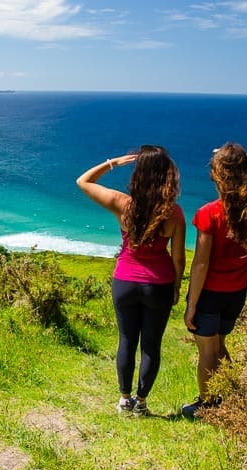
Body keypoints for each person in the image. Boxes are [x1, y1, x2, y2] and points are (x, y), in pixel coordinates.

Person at [77, 145, 186, 416]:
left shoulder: (123, 203)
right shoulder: (174, 213)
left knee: (126, 340)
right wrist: (177, 286)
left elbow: (84, 181)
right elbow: (179, 258)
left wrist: (113, 162)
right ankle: (142, 402)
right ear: (166, 177)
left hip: (124, 281)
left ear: (139, 175)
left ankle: (124, 399)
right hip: (158, 284)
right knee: (151, 346)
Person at [182, 142, 247, 418]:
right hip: (237, 291)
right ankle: (234, 397)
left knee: (207, 353)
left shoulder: (209, 213)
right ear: (246, 173)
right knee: (221, 344)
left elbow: (201, 264)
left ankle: (207, 405)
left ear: (218, 176)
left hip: (210, 293)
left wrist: (191, 305)